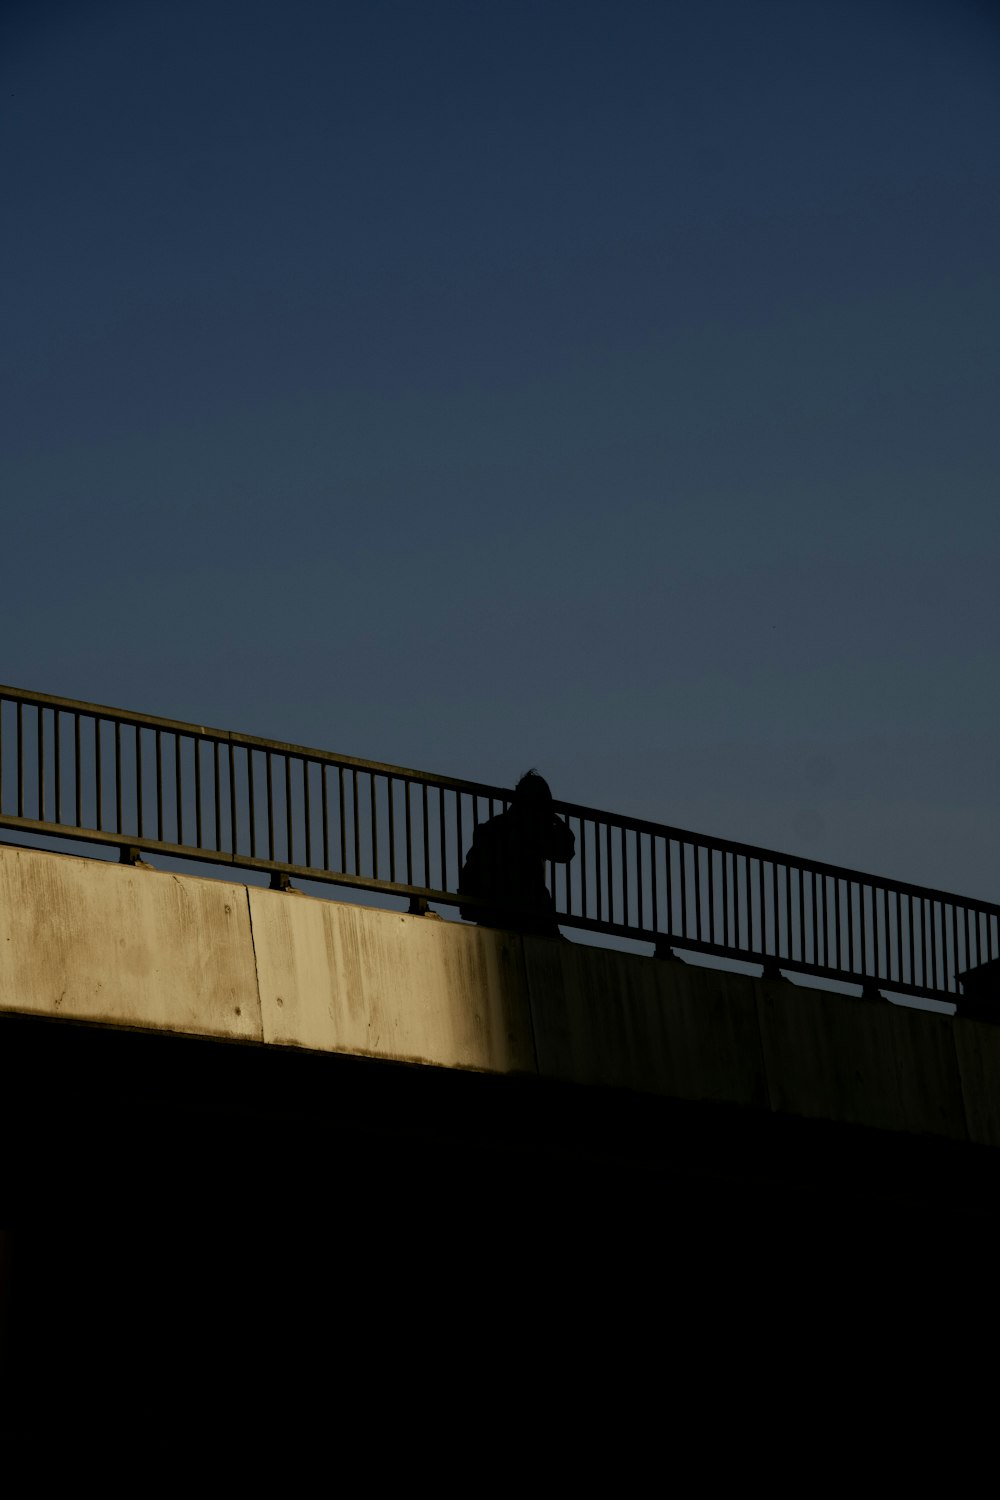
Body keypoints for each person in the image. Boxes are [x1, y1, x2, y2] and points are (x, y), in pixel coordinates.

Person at [458, 770, 575, 937]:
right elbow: (565, 852)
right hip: (527, 910)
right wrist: (557, 822)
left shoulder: (493, 826)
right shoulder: (533, 830)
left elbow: (472, 866)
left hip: (493, 908)